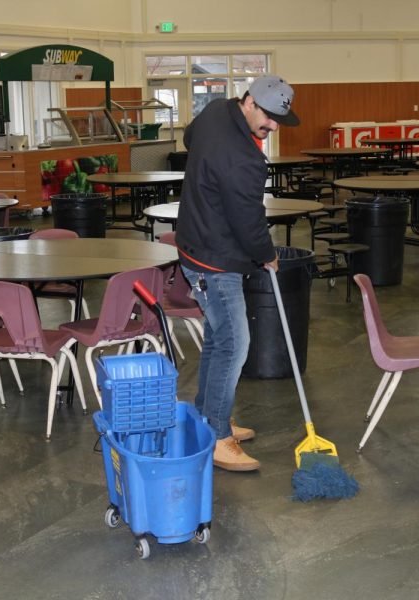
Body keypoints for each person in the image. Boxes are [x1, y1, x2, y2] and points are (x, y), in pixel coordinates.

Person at [175, 76, 300, 472]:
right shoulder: (244, 160)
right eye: (269, 117)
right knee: (235, 344)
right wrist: (267, 254)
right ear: (248, 102)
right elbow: (249, 220)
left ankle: (209, 413)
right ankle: (217, 436)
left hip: (193, 245)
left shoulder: (215, 111)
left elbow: (189, 139)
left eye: (279, 118)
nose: (274, 126)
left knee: (218, 338)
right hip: (216, 260)